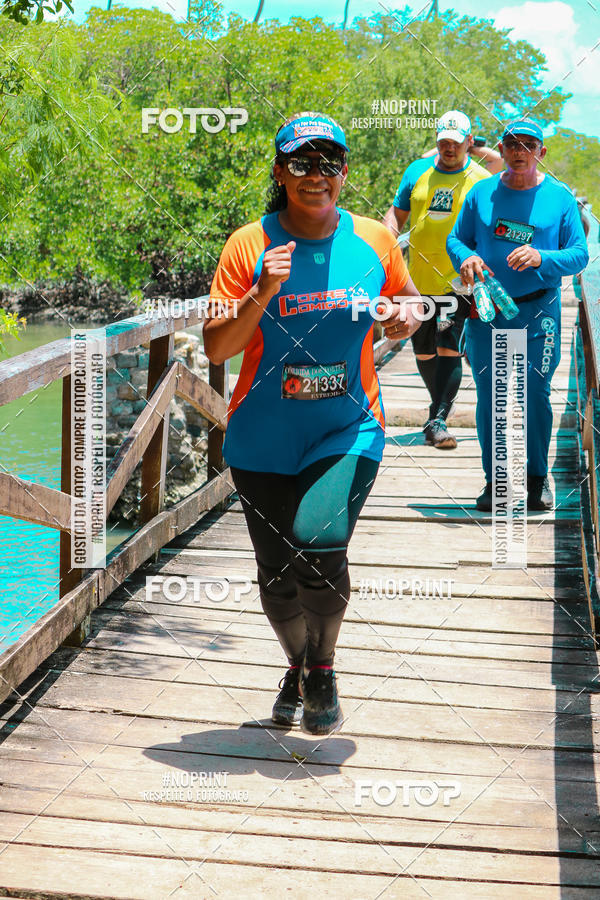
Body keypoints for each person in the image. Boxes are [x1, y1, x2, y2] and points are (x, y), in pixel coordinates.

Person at [203, 112, 421, 734]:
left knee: (318, 542)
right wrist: (262, 290)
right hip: (262, 435)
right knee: (276, 575)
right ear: (280, 172)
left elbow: (408, 300)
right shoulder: (249, 245)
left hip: (348, 426)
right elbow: (217, 347)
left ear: (343, 172)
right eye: (300, 163)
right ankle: (296, 666)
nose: (315, 175)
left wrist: (404, 317)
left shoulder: (374, 240)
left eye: (328, 163)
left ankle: (322, 670)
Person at [446, 118, 589, 511]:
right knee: (492, 397)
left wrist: (543, 257)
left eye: (528, 145)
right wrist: (467, 257)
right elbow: (456, 239)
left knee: (535, 395)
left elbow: (580, 254)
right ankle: (496, 482)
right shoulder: (481, 194)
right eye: (511, 144)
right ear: (502, 149)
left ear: (541, 152)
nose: (519, 152)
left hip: (539, 312)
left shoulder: (559, 198)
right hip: (487, 310)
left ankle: (537, 480)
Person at [383, 110, 503, 449]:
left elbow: (492, 226)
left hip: (459, 281)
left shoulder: (481, 179)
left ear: (469, 141)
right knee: (423, 351)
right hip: (416, 281)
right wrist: (387, 236)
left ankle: (438, 419)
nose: (449, 148)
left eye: (456, 142)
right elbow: (397, 214)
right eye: (443, 142)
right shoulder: (417, 171)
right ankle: (436, 414)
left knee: (449, 345)